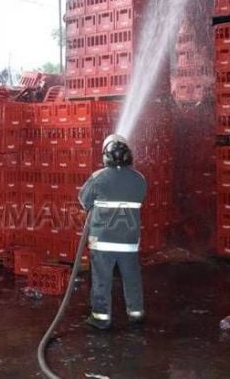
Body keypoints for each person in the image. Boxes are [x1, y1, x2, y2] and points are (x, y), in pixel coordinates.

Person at [78, 134, 147, 330]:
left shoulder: (98, 177)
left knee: (102, 279)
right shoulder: (139, 179)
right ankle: (136, 313)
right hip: (129, 241)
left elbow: (83, 200)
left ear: (105, 155)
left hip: (103, 241)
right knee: (132, 277)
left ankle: (101, 318)